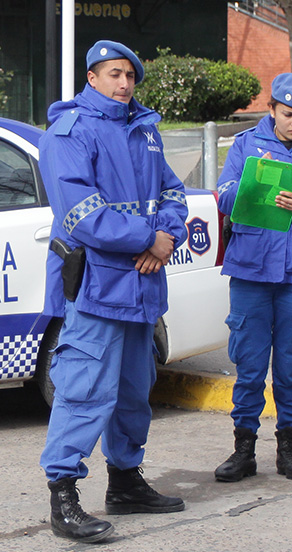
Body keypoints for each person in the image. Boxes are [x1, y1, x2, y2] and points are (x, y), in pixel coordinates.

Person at [37, 40, 188, 543]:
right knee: (84, 391)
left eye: (130, 75)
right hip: (97, 285)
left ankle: (125, 482)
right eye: (114, 74)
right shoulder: (70, 131)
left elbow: (173, 192)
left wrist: (166, 237)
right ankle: (63, 497)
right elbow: (82, 215)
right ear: (92, 77)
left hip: (142, 284)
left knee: (133, 391)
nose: (124, 83)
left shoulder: (144, 129)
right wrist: (150, 239)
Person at [213, 73, 292, 484]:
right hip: (252, 272)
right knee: (249, 365)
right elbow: (223, 195)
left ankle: (287, 447)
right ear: (273, 110)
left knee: (291, 368)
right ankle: (244, 449)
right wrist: (256, 187)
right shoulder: (246, 145)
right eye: (288, 113)